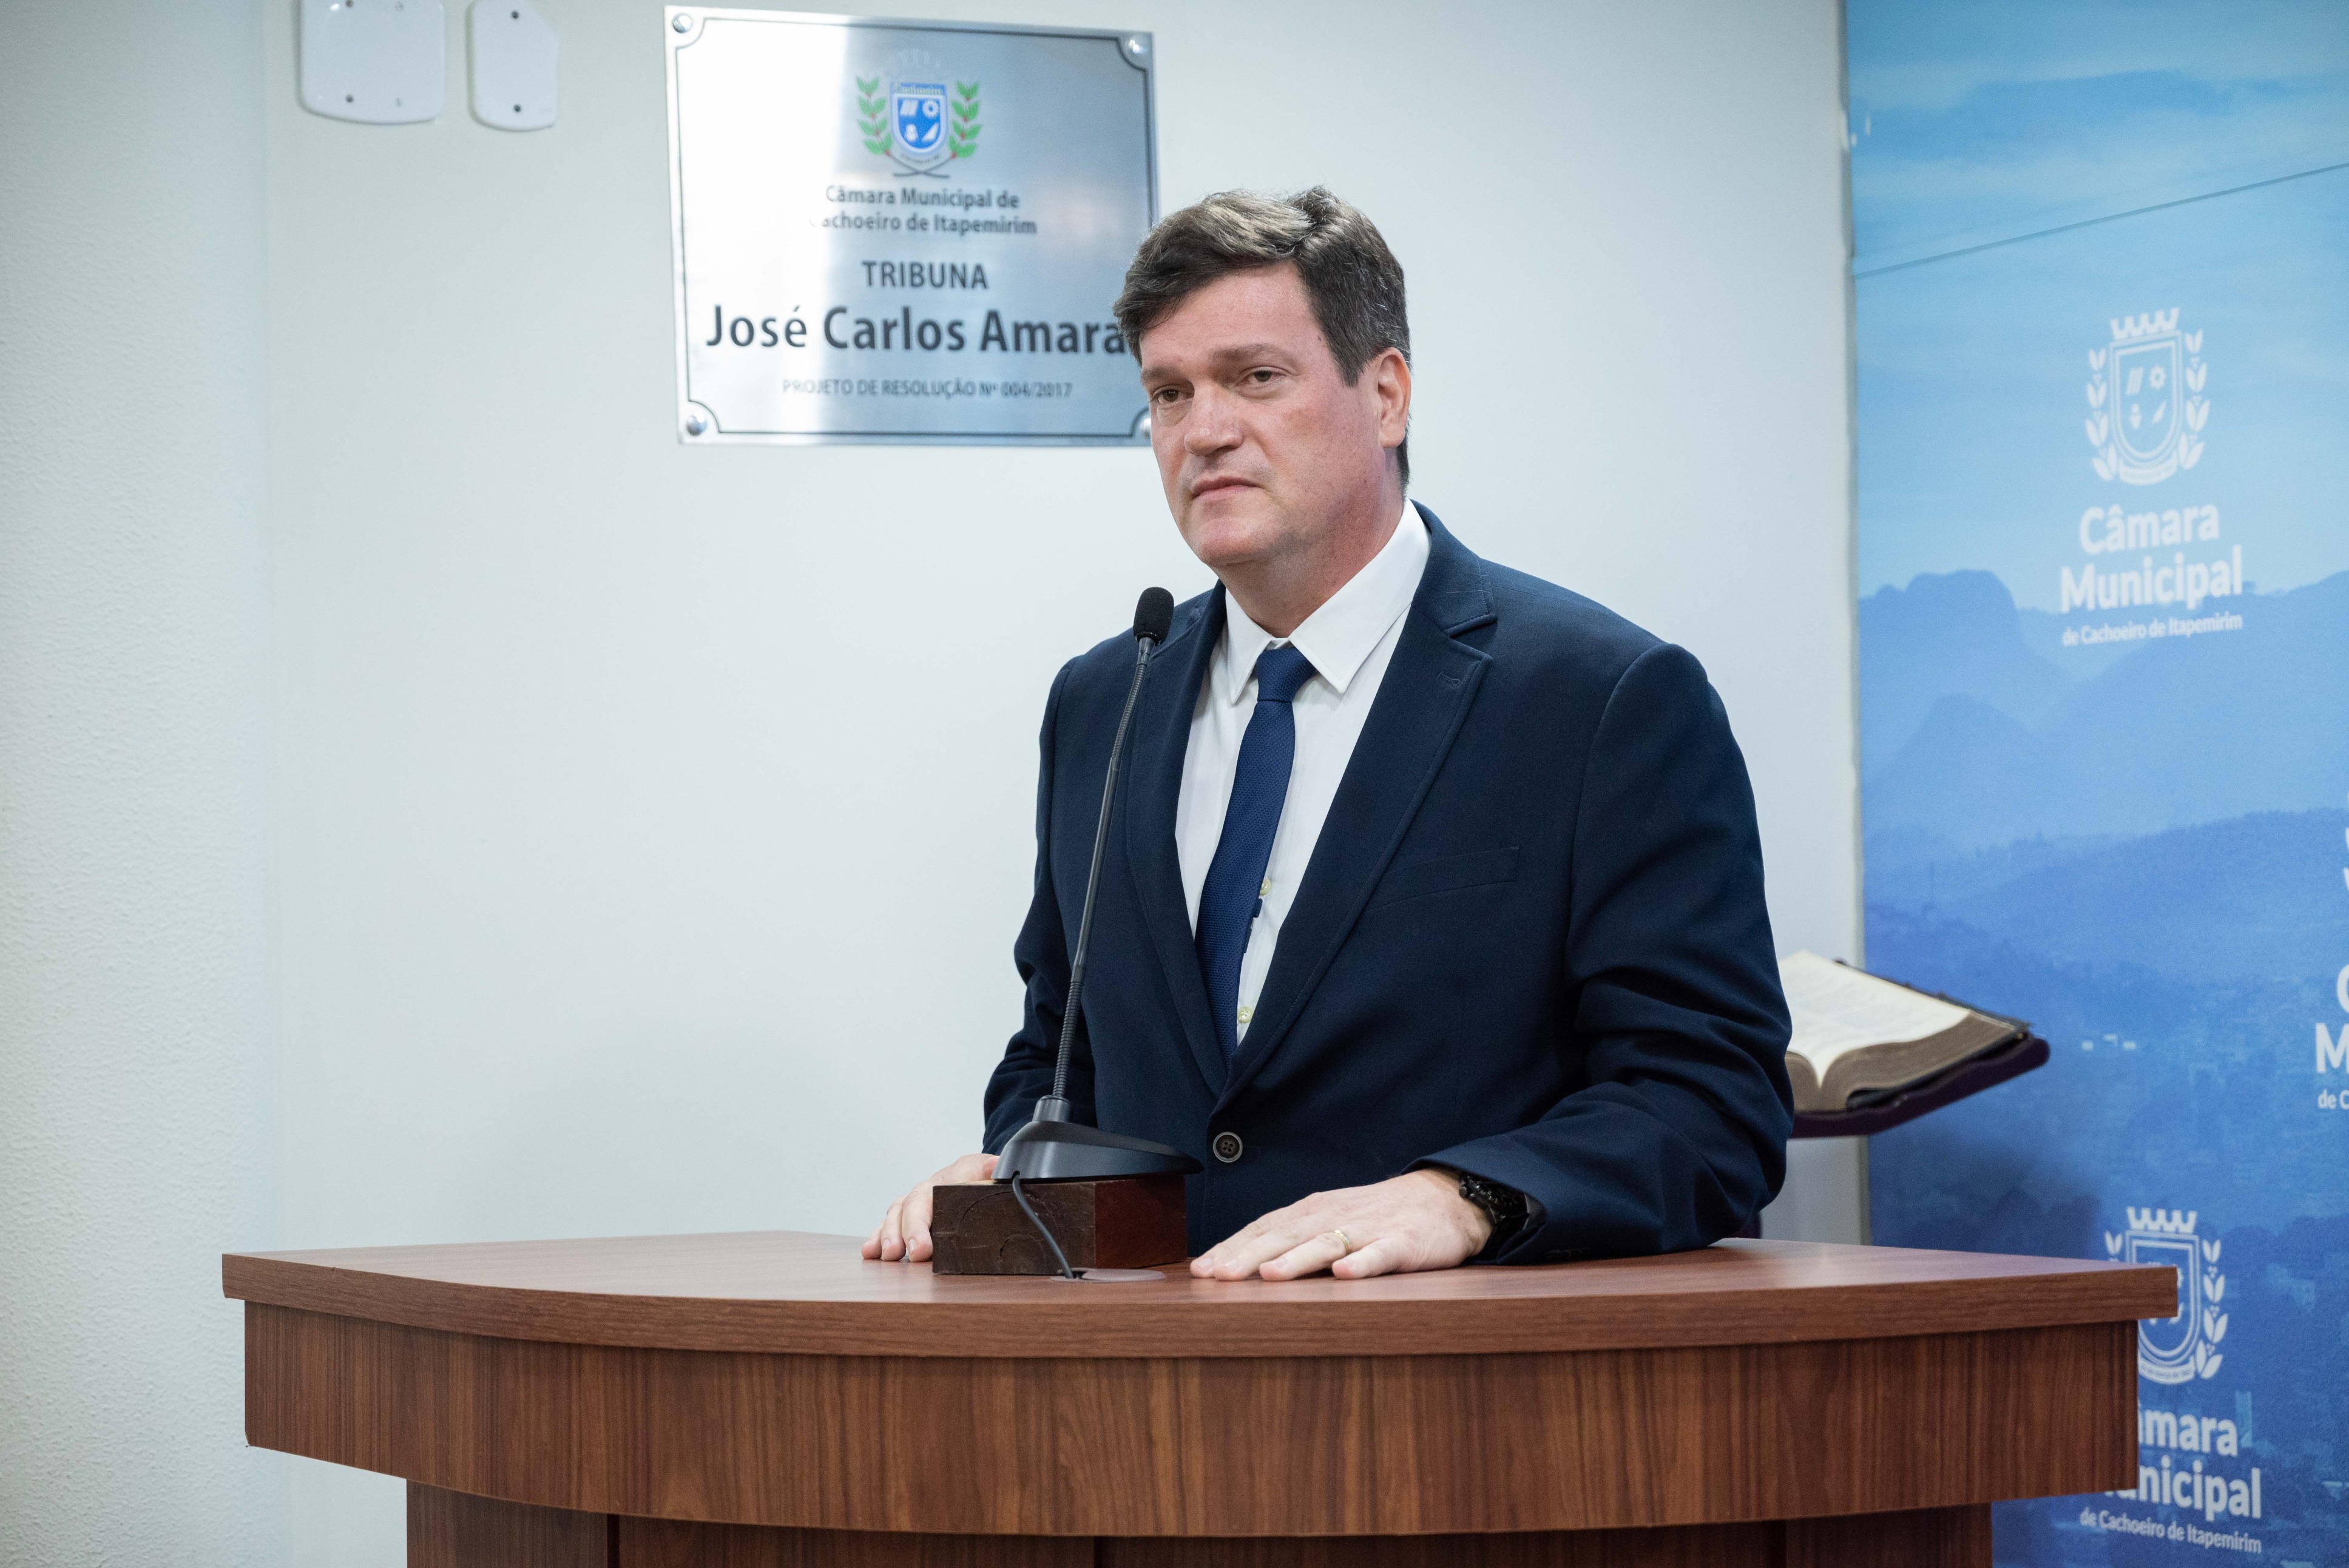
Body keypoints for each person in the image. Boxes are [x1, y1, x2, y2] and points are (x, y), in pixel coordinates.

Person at [865, 188, 1791, 1280]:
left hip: (1455, 1365)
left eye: (1256, 377)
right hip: (1146, 1364)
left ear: (1386, 394)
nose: (1204, 430)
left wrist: (1468, 1196)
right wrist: (1014, 1167)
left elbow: (1709, 1102)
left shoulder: (1602, 700)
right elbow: (1055, 1051)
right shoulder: (1105, 700)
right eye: (1169, 392)